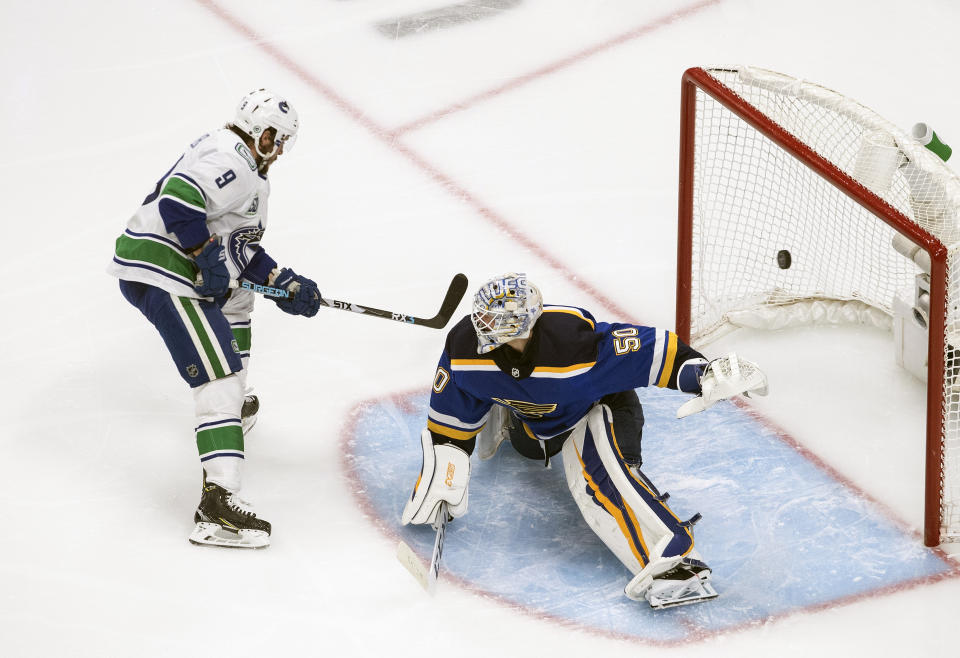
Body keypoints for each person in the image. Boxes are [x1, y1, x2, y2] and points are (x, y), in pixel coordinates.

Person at [400, 273, 768, 608]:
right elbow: (450, 421)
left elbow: (653, 352)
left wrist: (704, 371)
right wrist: (444, 466)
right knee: (525, 442)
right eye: (482, 319)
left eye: (495, 323)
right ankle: (505, 410)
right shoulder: (464, 347)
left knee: (598, 473)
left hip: (600, 407)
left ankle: (674, 559)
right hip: (536, 426)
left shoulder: (572, 343)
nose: (482, 329)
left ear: (524, 324)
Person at [107, 89, 322, 549]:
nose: (279, 150)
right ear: (257, 131)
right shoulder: (235, 158)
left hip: (171, 267)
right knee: (220, 375)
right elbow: (179, 199)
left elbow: (238, 250)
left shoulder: (250, 173)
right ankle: (216, 505)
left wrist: (285, 282)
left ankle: (229, 411)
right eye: (275, 138)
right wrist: (203, 253)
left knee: (239, 303)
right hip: (164, 271)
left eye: (283, 141)